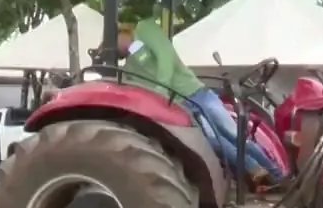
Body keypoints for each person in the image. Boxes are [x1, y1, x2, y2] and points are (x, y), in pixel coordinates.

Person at [119, 19, 285, 184]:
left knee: (234, 135)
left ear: (120, 32)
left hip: (197, 93)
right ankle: (255, 169)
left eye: (113, 40)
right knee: (212, 143)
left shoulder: (145, 29)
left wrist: (161, 90)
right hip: (179, 106)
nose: (114, 48)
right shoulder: (128, 68)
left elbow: (166, 57)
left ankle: (277, 174)